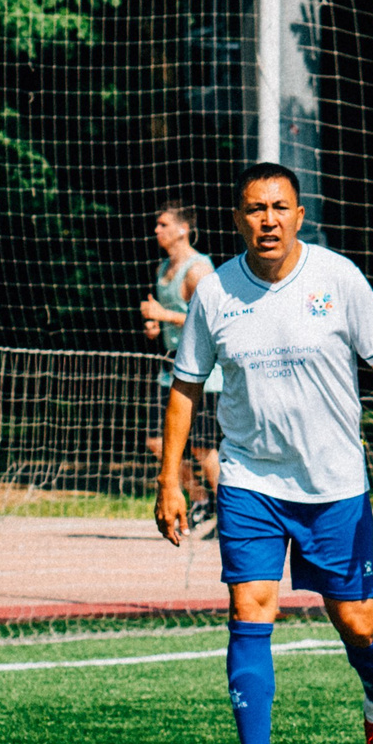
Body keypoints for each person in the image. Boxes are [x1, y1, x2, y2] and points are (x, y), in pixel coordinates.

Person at [155, 164, 373, 744]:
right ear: (237, 219)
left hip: (333, 483)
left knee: (356, 622)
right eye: (253, 209)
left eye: (278, 207)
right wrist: (169, 479)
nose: (267, 219)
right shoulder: (214, 292)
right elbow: (186, 386)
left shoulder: (338, 278)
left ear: (299, 215)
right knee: (250, 610)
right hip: (249, 479)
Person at [138, 200, 221, 525]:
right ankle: (201, 499)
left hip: (204, 372)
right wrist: (155, 326)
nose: (157, 230)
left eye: (163, 224)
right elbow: (173, 320)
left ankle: (230, 515)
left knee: (202, 448)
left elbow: (212, 321)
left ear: (183, 229)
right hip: (170, 368)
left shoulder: (199, 269)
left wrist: (165, 315)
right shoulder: (164, 268)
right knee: (156, 442)